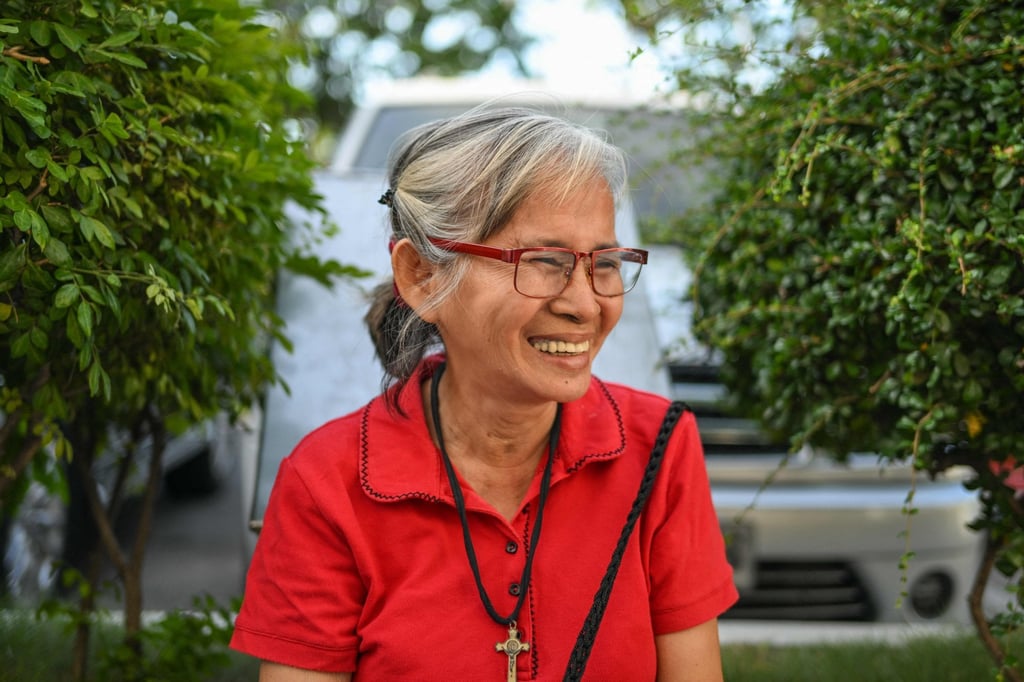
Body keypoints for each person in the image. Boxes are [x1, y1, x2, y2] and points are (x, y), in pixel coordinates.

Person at [230, 105, 738, 681]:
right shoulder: (329, 484)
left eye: (605, 262)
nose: (585, 304)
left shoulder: (658, 449)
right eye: (543, 262)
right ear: (422, 276)